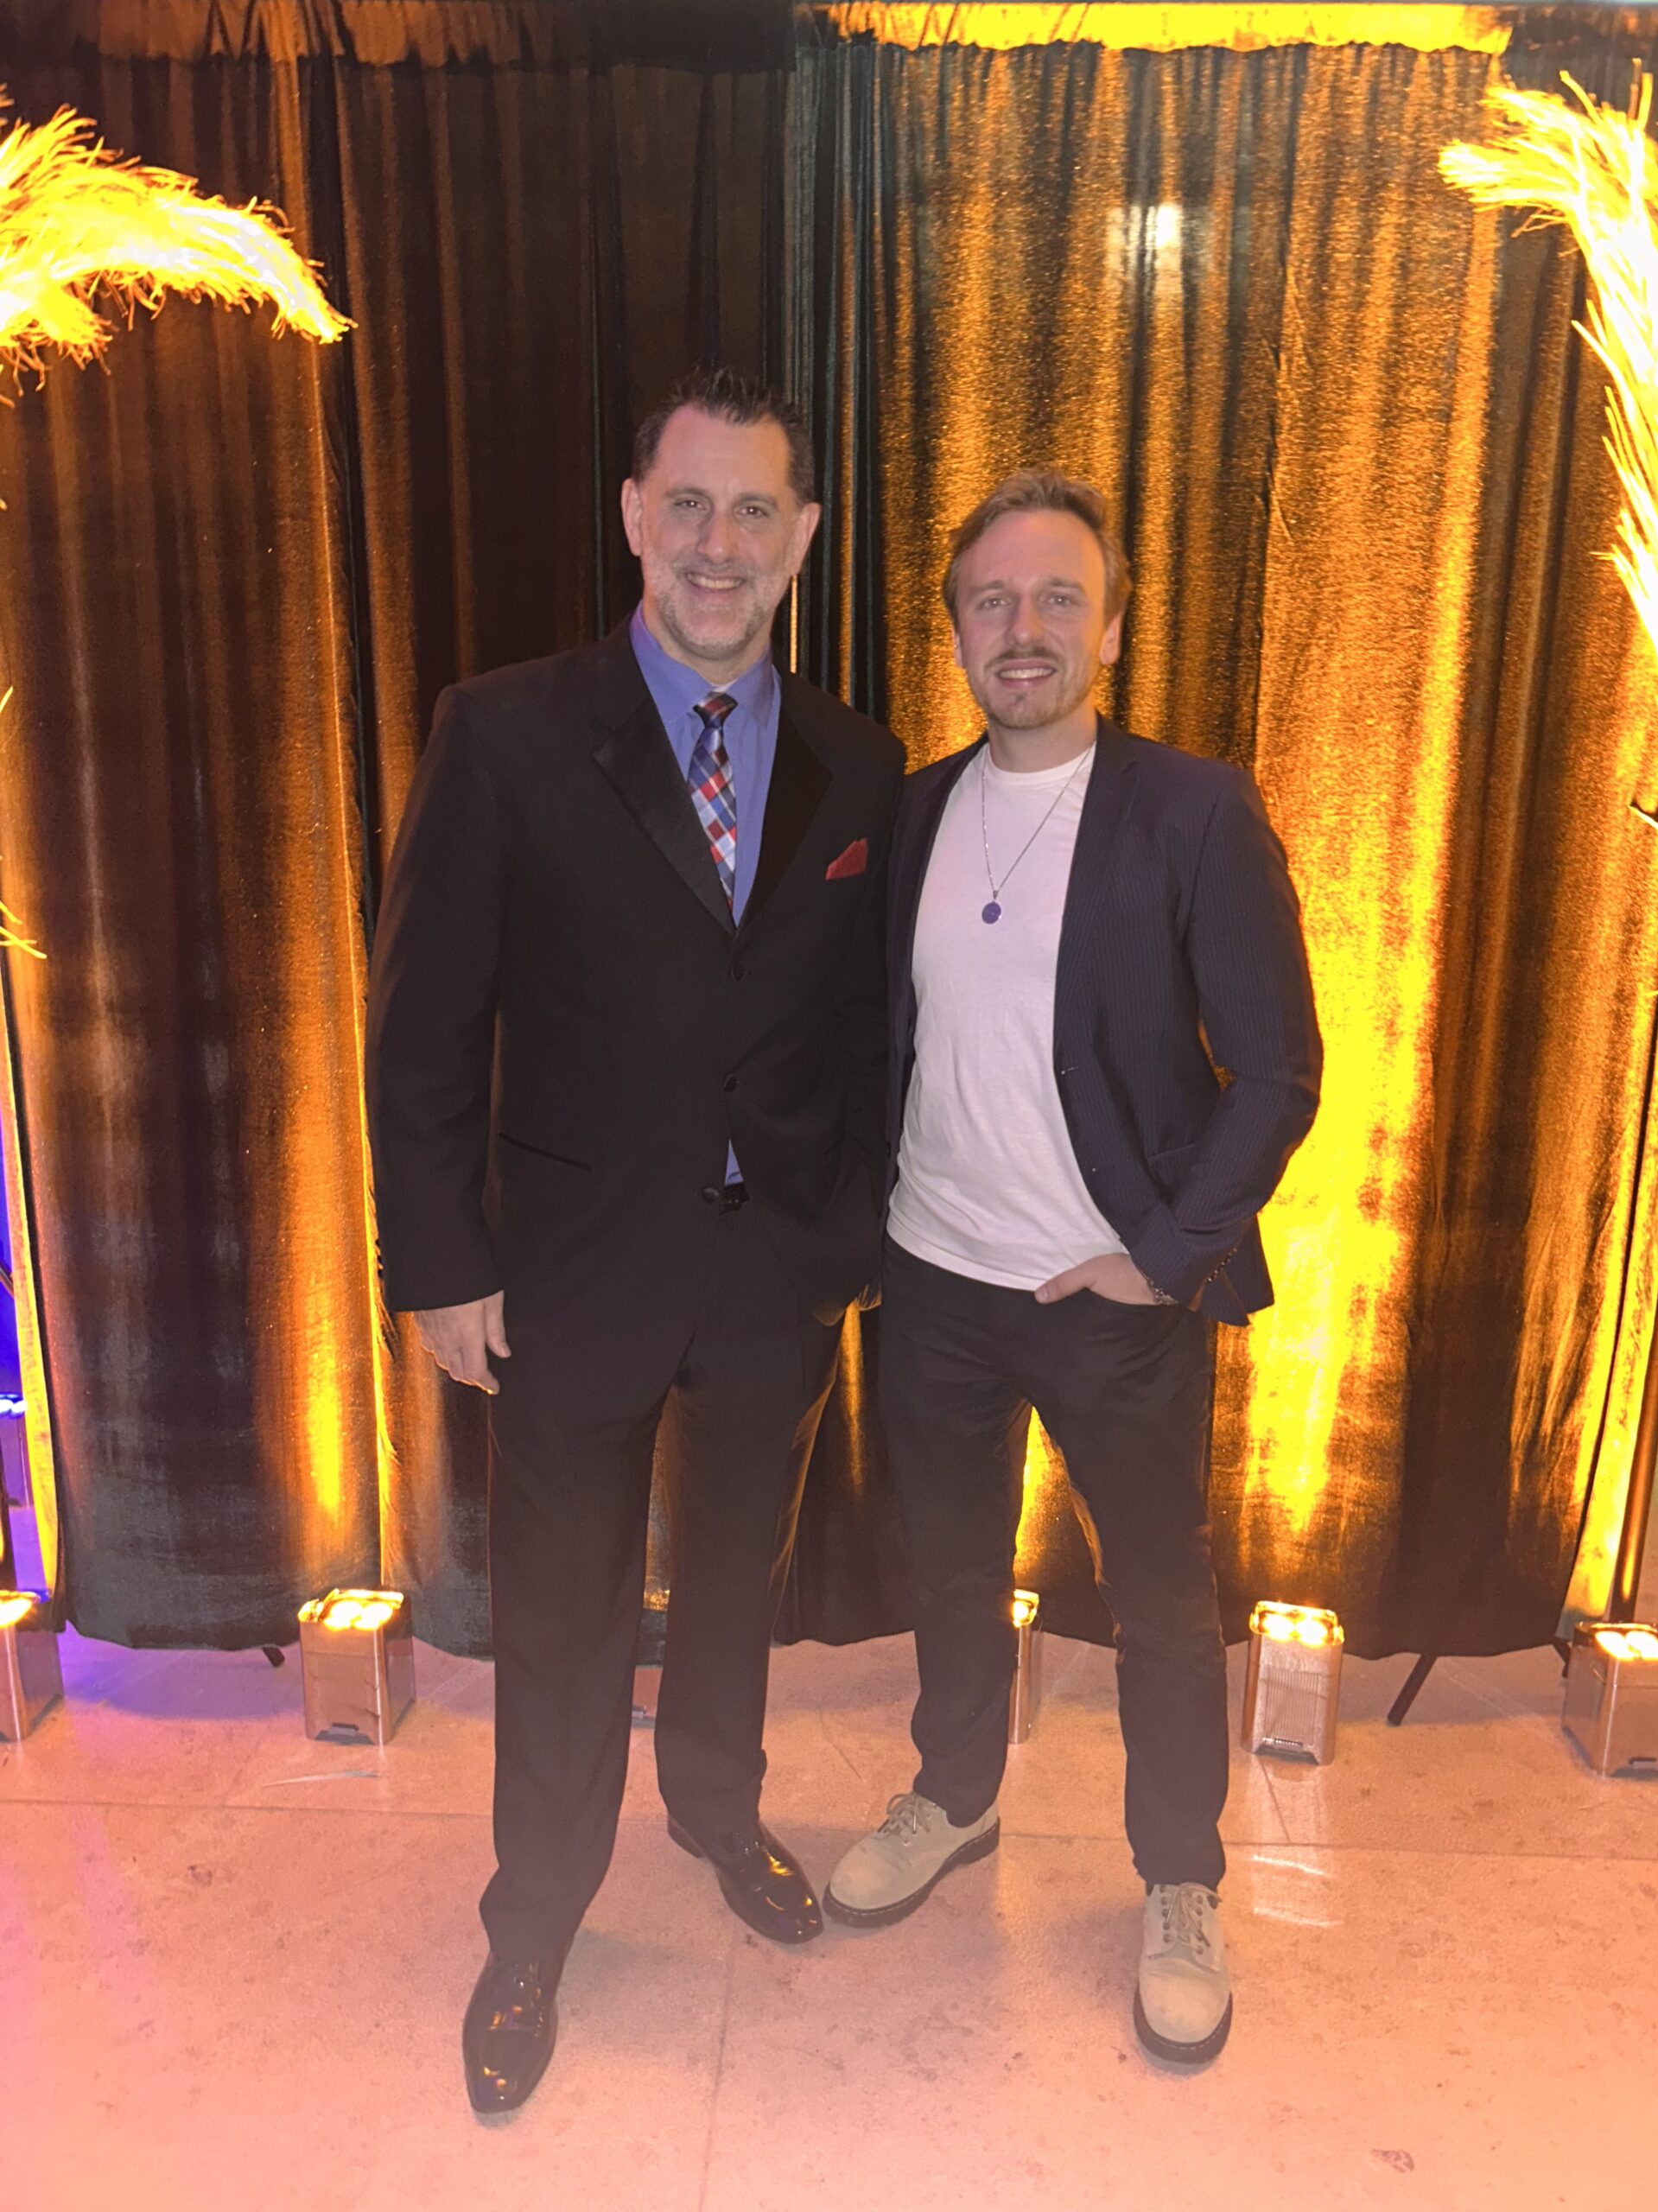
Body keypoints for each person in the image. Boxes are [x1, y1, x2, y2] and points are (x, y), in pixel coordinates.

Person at [366, 367, 904, 2115]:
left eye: (756, 510)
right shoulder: (508, 729)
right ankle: (534, 1922)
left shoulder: (858, 758)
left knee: (736, 1576)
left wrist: (852, 1236)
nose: (720, 544)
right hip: (573, 1274)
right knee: (565, 1612)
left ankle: (718, 1804)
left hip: (773, 1282)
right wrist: (442, 1257)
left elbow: (864, 1025)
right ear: (632, 515)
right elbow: (425, 1022)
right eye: (690, 504)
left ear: (804, 536)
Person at [824, 469, 1321, 2067]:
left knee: (1166, 1607)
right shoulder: (909, 813)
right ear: (958, 628)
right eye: (992, 601)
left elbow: (1282, 1068)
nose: (1021, 629)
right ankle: (956, 1797)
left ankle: (1179, 1879)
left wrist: (1164, 1258)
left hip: (1110, 1305)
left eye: (1056, 600)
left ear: (1109, 627)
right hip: (935, 1287)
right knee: (955, 1574)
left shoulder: (1191, 809)